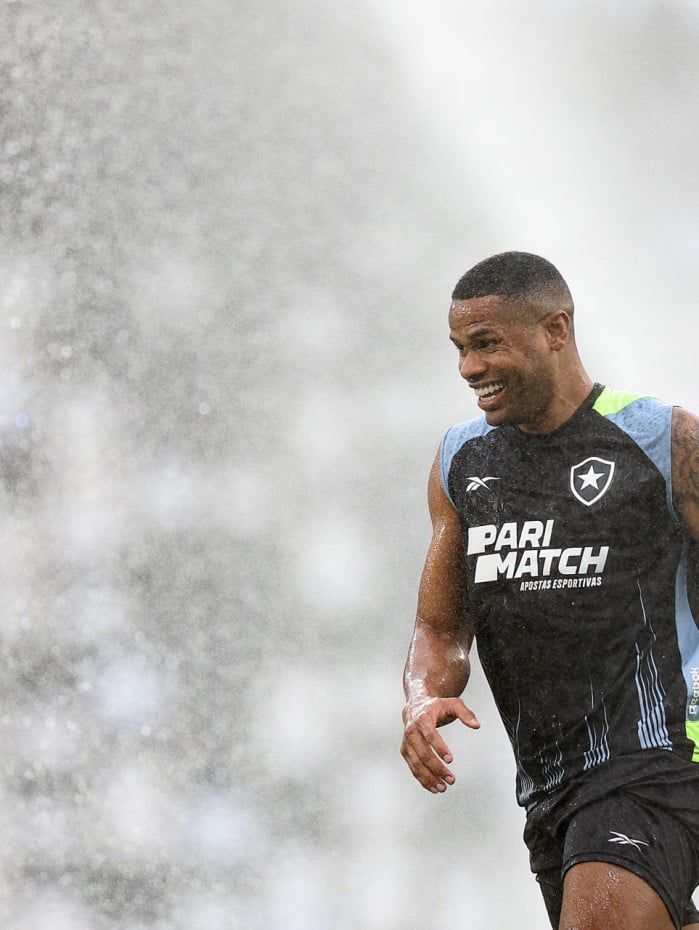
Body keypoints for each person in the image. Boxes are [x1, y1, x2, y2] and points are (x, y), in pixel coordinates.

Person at [400, 251, 699, 930]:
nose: (467, 368)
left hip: (658, 761)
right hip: (548, 789)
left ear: (555, 329)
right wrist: (421, 696)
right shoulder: (460, 462)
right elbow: (441, 629)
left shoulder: (662, 438)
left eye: (485, 344)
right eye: (459, 349)